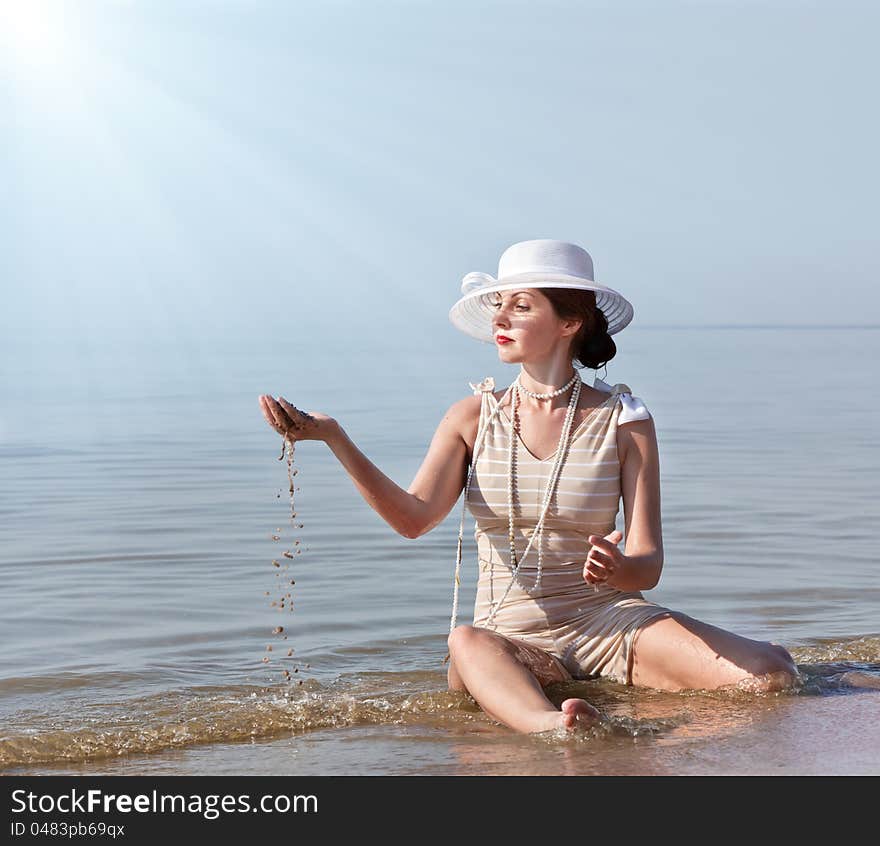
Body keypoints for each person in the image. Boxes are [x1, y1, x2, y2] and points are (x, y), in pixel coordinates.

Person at [258, 238, 801, 736]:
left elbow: (648, 563)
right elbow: (413, 519)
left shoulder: (626, 420)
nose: (501, 317)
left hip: (608, 623)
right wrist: (334, 437)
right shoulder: (471, 417)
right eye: (499, 304)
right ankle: (553, 725)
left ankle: (620, 698)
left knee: (772, 677)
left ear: (568, 323)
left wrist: (618, 570)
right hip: (507, 639)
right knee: (465, 641)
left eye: (521, 305)